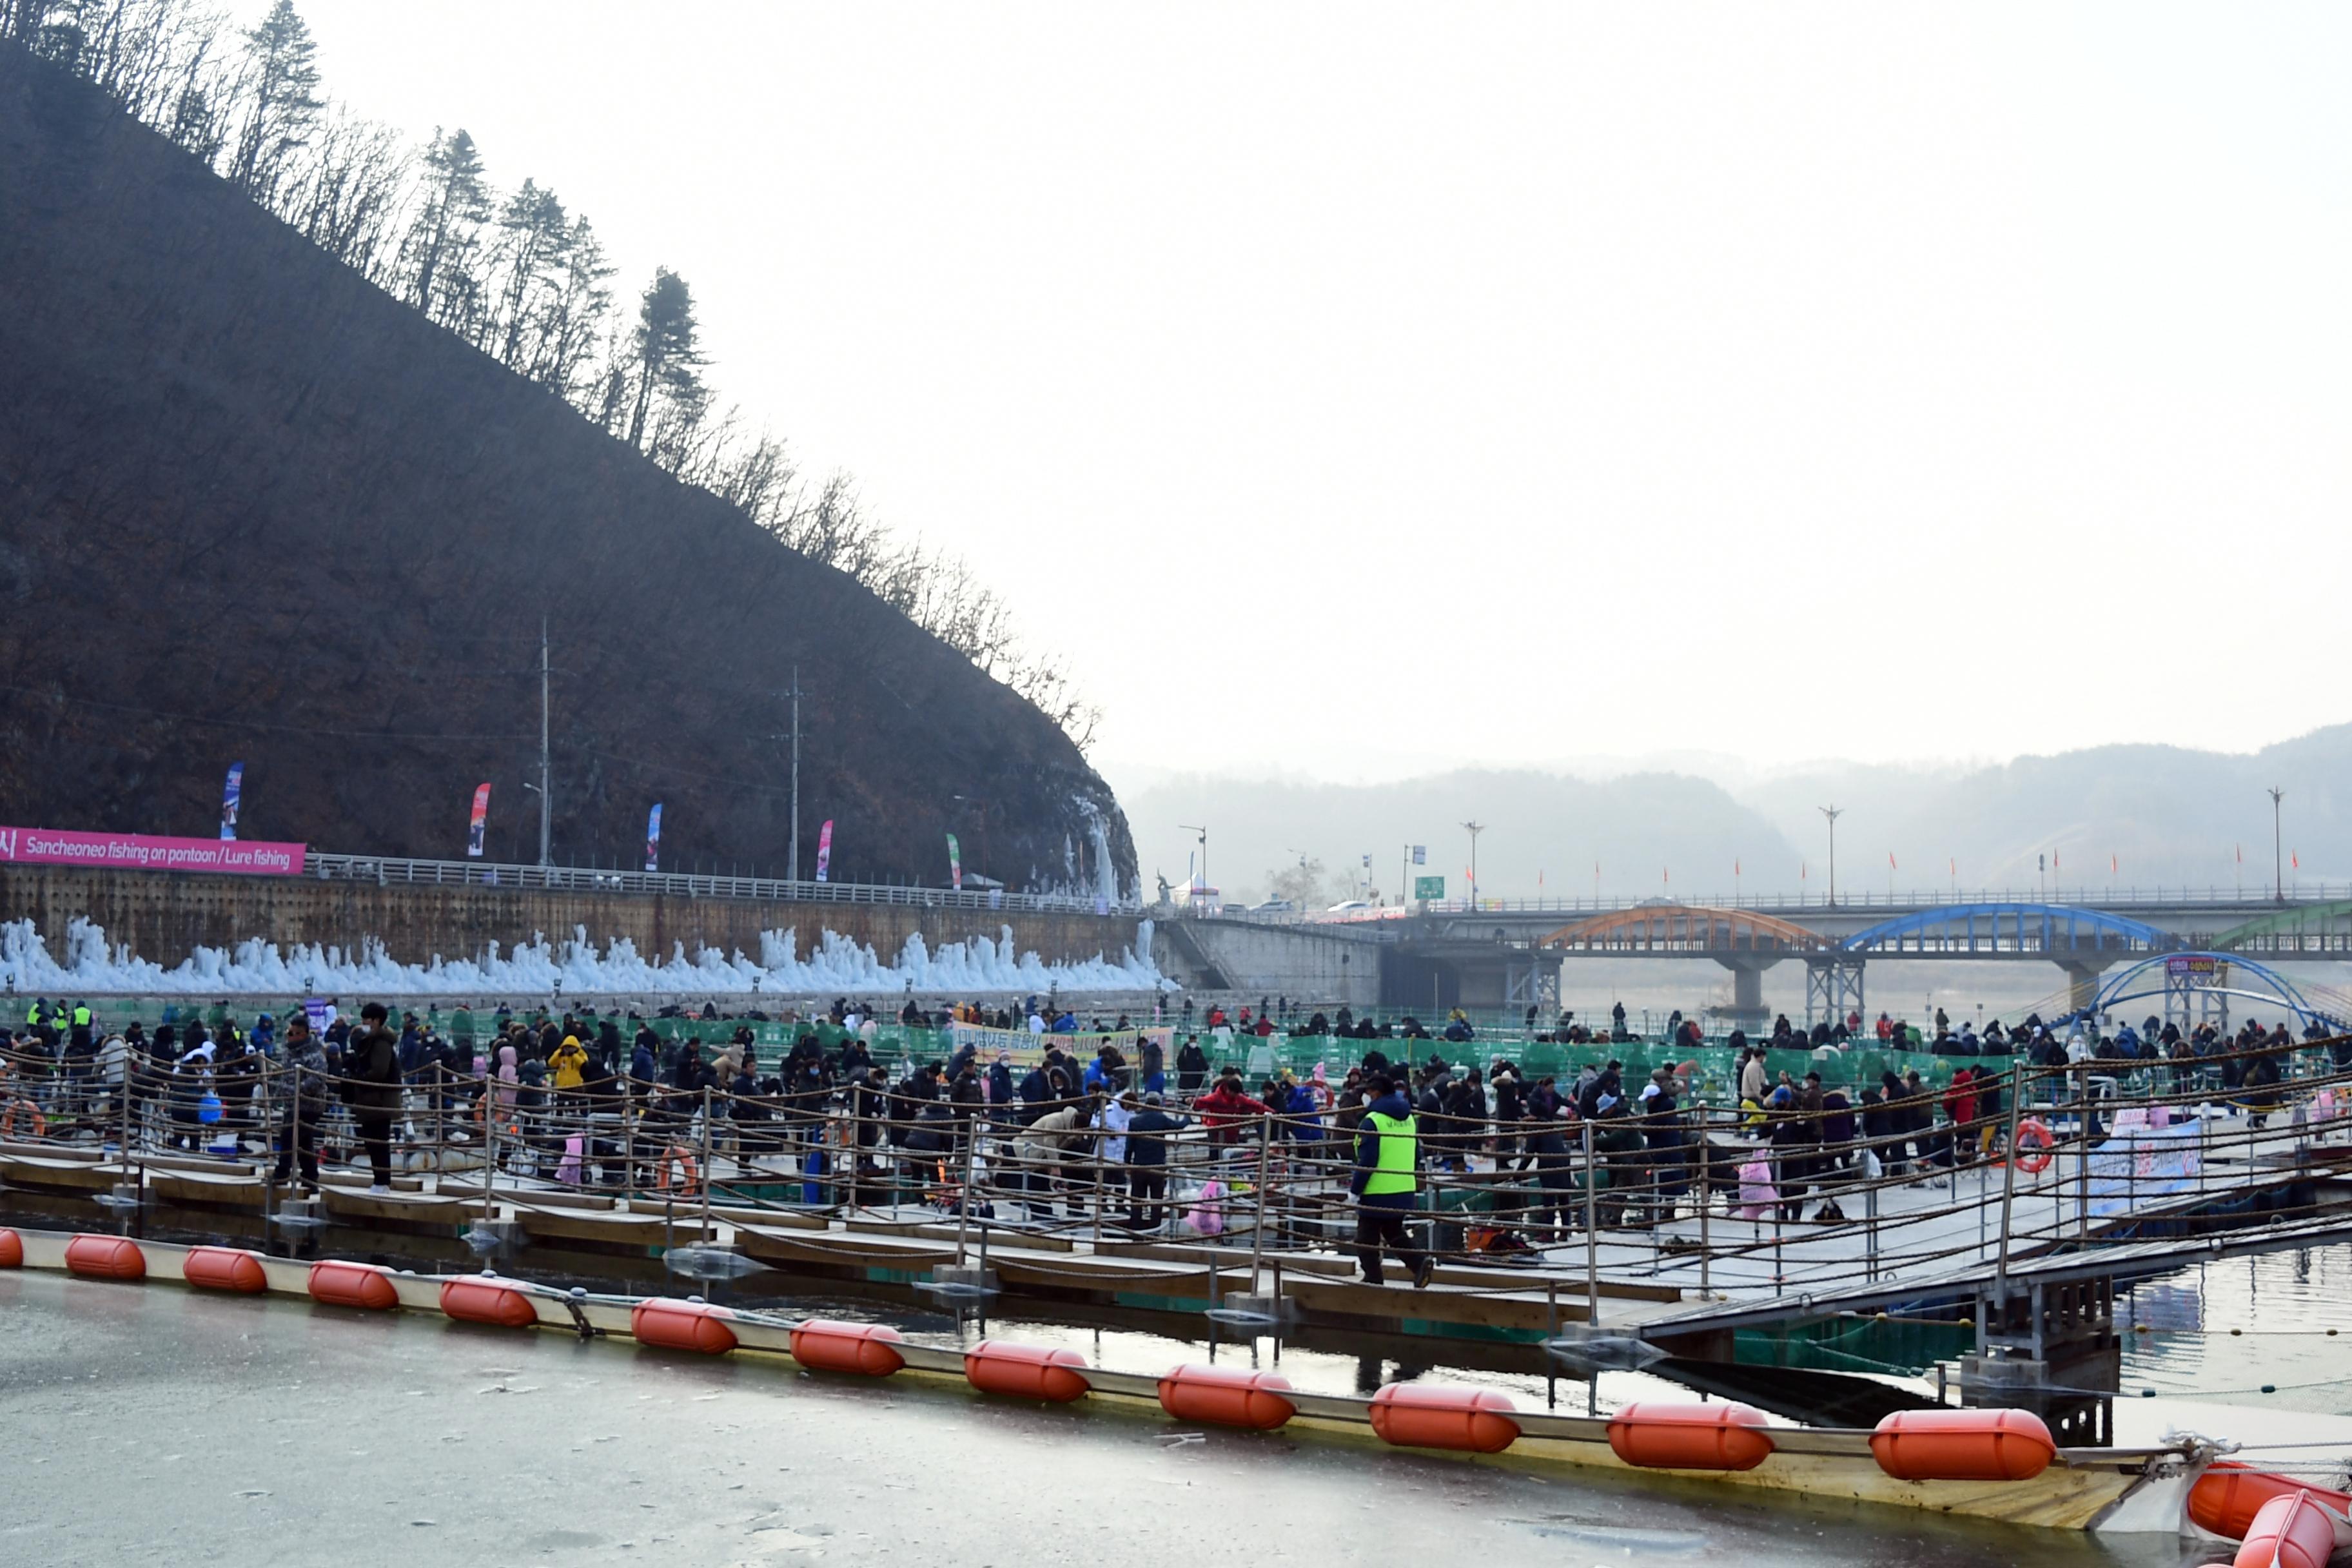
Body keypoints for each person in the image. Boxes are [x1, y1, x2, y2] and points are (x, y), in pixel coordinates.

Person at [1350, 1074, 1434, 1288]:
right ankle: (1418, 1263)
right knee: (1393, 1231)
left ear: (1375, 1093)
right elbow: (1416, 1154)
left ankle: (1373, 1278)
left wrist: (1355, 1191)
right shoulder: (1408, 1119)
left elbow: (1367, 1160)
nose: (1365, 1097)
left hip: (1377, 1190)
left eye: (1367, 1093)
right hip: (1403, 1187)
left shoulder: (1373, 1120)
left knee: (1365, 1239)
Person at [342, 1003, 402, 1191]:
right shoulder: (373, 1041)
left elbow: (379, 1072)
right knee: (372, 1141)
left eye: (366, 1019)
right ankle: (380, 1180)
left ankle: (382, 1181)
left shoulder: (381, 1043)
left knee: (378, 1142)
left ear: (376, 1021)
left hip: (379, 1100)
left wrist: (359, 1075)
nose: (363, 1023)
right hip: (371, 1100)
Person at [271, 1014, 329, 1189]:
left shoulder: (315, 1055)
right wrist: (276, 1097)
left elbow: (316, 1081)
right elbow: (285, 1077)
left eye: (293, 1033)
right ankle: (310, 1179)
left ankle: (282, 1173)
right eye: (289, 1032)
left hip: (309, 1105)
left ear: (303, 1034)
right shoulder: (289, 1053)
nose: (289, 1036)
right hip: (291, 1104)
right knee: (304, 1143)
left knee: (289, 1137)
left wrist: (295, 1090)